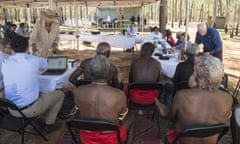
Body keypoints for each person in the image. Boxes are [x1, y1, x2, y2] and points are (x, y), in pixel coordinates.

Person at [156, 55, 233, 144]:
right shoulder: (228, 99)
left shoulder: (182, 96)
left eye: (194, 71)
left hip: (182, 141)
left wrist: (162, 108)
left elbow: (170, 117)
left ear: (197, 74)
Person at [1, 35, 64, 133]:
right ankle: (49, 124)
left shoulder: (5, 62)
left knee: (35, 90)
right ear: (27, 47)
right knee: (60, 95)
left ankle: (41, 118)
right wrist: (40, 57)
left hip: (11, 109)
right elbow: (46, 66)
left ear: (12, 48)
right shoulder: (34, 60)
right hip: (29, 110)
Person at [73, 55, 135, 144]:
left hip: (86, 138)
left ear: (90, 71)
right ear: (109, 72)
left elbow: (77, 112)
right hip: (110, 139)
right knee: (131, 116)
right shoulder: (119, 94)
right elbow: (122, 118)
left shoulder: (78, 91)